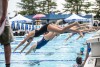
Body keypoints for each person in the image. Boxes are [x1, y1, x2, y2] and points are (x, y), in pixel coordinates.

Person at [13, 21, 84, 52]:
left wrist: (16, 48)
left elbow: (23, 42)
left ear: (29, 39)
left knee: (61, 30)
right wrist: (21, 51)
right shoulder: (32, 37)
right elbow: (26, 45)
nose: (30, 41)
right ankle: (78, 31)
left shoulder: (30, 34)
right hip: (46, 28)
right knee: (62, 29)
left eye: (30, 41)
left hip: (46, 27)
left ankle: (75, 23)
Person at [0, 0, 13, 67]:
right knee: (6, 43)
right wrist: (4, 16)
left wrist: (3, 16)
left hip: (2, 19)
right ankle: (7, 65)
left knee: (6, 43)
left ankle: (7, 65)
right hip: (2, 20)